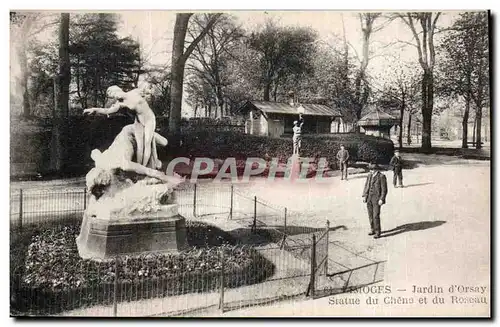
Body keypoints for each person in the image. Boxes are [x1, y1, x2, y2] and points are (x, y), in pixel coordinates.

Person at [83, 85, 161, 170]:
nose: (115, 96)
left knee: (147, 143)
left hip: (149, 119)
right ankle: (140, 168)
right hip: (138, 121)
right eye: (113, 96)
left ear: (118, 89)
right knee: (140, 147)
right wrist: (94, 109)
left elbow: (147, 89)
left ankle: (146, 168)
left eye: (114, 93)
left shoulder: (134, 92)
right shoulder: (120, 104)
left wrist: (150, 90)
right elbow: (107, 111)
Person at [362, 162, 388, 239]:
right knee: (370, 215)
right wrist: (364, 196)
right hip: (369, 198)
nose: (371, 171)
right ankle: (372, 229)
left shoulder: (381, 176)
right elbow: (366, 185)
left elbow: (384, 189)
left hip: (377, 199)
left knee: (375, 215)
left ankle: (377, 232)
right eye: (370, 169)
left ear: (376, 169)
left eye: (373, 170)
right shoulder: (369, 175)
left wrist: (382, 199)